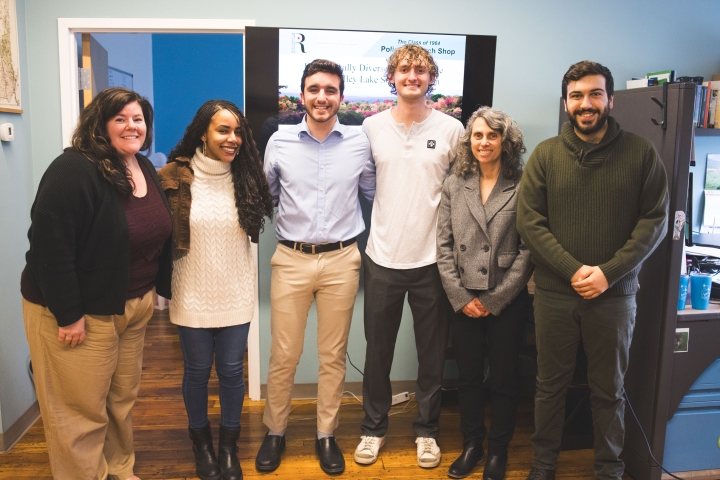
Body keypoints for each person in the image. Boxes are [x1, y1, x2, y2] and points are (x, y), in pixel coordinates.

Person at [517, 61, 669, 480]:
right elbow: (530, 222)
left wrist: (610, 272)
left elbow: (654, 221)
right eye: (577, 96)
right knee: (550, 388)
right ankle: (543, 465)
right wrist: (573, 271)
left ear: (610, 99)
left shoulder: (641, 153)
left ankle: (609, 470)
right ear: (566, 103)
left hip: (615, 297)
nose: (586, 104)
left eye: (595, 94)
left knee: (610, 391)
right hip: (554, 294)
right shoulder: (546, 155)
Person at [20, 87, 173, 480]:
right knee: (79, 411)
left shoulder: (143, 166)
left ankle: (120, 469)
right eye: (120, 118)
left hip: (131, 307)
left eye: (137, 119)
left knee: (120, 400)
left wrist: (157, 288)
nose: (131, 126)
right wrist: (68, 315)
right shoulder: (74, 169)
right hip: (80, 311)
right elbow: (49, 248)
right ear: (99, 125)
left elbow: (154, 234)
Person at [256, 59, 375, 475]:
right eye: (314, 89)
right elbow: (265, 196)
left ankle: (326, 434)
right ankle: (276, 431)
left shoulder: (360, 142)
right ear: (302, 94)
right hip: (290, 259)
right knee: (284, 354)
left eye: (330, 90)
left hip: (343, 259)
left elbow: (372, 193)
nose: (322, 97)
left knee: (333, 355)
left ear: (341, 96)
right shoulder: (280, 141)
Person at [354, 44, 464, 469]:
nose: (412, 76)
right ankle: (372, 429)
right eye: (404, 69)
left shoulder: (452, 130)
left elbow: (458, 192)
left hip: (432, 262)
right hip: (381, 257)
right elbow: (367, 185)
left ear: (431, 77)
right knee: (377, 352)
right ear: (392, 77)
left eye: (420, 70)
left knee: (431, 355)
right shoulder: (371, 127)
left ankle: (427, 432)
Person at [158, 100, 273, 480]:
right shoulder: (173, 176)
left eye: (237, 131)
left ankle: (228, 450)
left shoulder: (247, 175)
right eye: (223, 130)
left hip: (236, 292)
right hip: (190, 291)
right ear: (203, 133)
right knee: (195, 371)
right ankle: (202, 447)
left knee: (230, 373)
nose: (232, 138)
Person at [437, 107, 533, 480]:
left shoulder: (524, 185)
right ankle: (472, 444)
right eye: (478, 135)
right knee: (469, 378)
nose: (484, 142)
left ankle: (498, 451)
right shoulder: (454, 183)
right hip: (463, 299)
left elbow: (528, 251)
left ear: (506, 141)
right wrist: (461, 298)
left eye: (492, 135)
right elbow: (443, 246)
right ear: (469, 141)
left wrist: (494, 300)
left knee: (506, 379)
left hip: (505, 298)